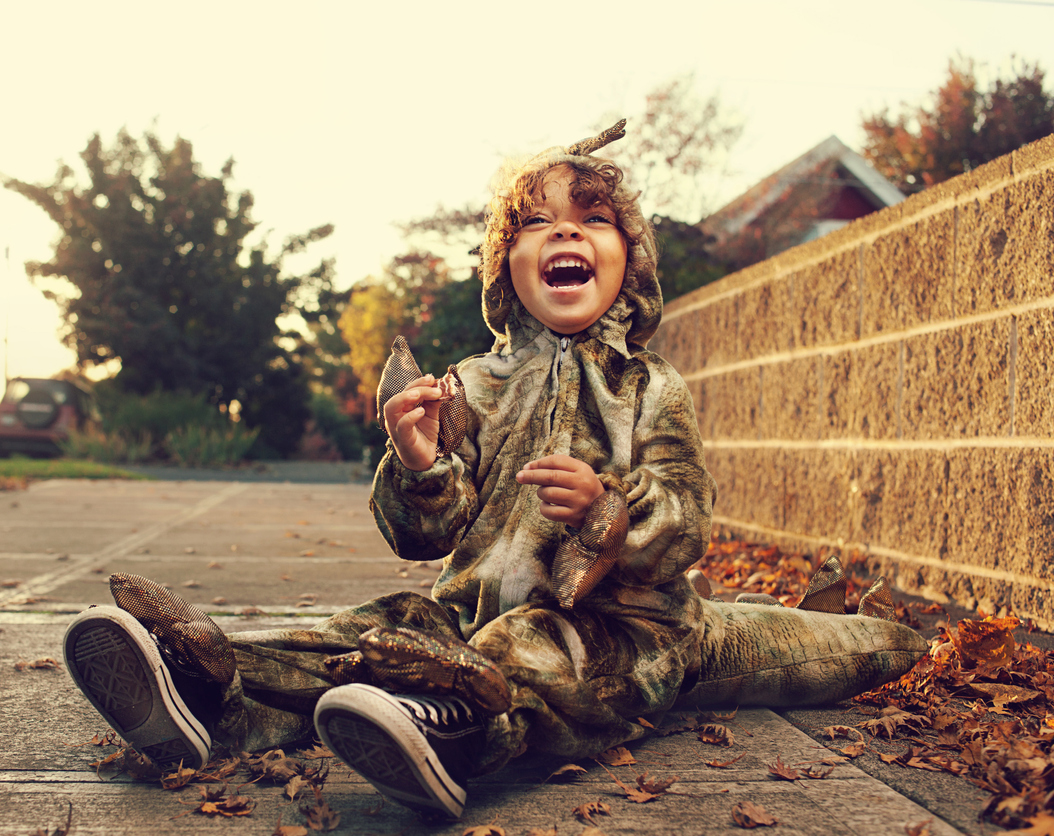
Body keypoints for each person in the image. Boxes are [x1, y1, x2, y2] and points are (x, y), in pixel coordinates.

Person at [62, 121, 927, 819]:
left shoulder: (649, 387)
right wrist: (419, 463)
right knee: (367, 630)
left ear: (630, 260)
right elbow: (419, 535)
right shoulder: (470, 385)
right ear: (505, 269)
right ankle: (211, 690)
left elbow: (688, 522)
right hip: (460, 611)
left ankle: (451, 735)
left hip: (624, 629)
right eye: (536, 222)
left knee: (529, 650)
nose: (565, 232)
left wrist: (608, 508)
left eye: (591, 219)